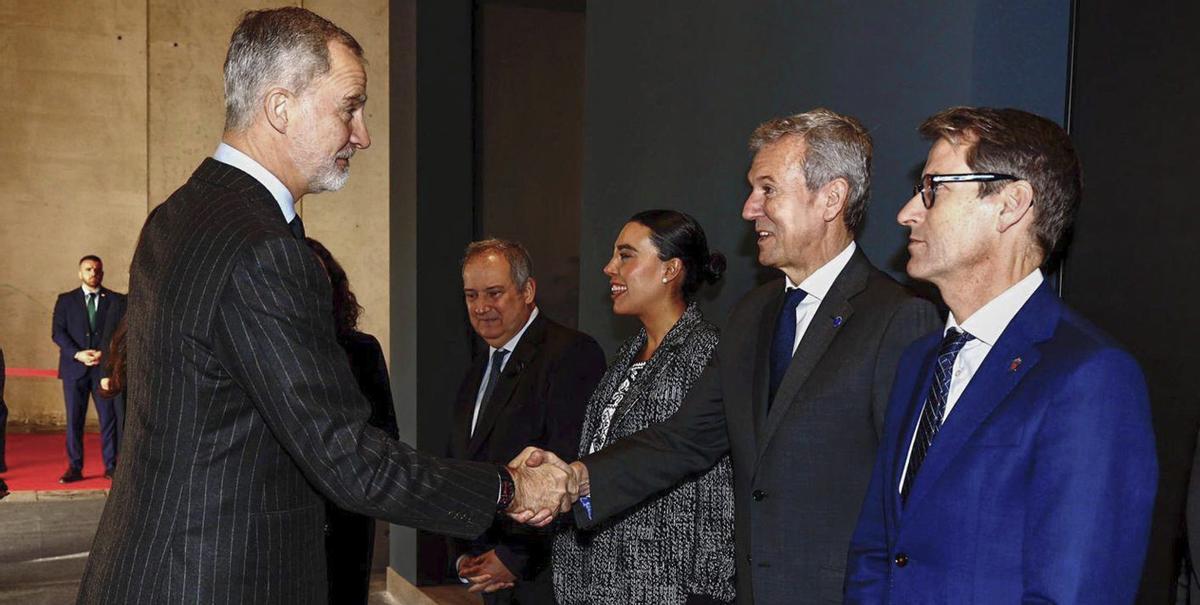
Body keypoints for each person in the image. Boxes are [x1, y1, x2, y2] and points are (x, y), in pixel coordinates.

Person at [76, 8, 573, 603]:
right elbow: (350, 459)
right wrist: (509, 488)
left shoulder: (181, 213)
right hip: (217, 580)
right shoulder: (263, 251)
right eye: (350, 107)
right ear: (280, 107)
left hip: (149, 569)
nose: (361, 134)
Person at [523, 108, 941, 603]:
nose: (749, 209)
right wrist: (576, 479)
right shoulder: (753, 313)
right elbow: (685, 439)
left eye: (768, 189)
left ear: (831, 198)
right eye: (752, 189)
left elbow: (908, 498)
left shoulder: (898, 319)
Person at [845, 107, 1157, 603]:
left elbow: (1074, 593)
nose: (907, 212)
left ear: (1011, 204)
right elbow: (877, 550)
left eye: (934, 188)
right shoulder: (920, 361)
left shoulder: (1090, 376)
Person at [553, 210, 735, 604]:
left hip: (662, 588)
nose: (609, 268)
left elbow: (716, 490)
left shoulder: (707, 353)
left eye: (625, 256)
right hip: (596, 581)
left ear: (670, 269)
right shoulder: (626, 355)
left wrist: (707, 591)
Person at [450, 239, 605, 602]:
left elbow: (568, 466)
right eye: (471, 295)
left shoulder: (572, 354)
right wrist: (464, 557)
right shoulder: (478, 368)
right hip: (489, 577)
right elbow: (463, 463)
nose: (482, 307)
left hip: (544, 580)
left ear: (528, 290)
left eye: (494, 293)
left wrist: (513, 559)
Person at [304, 237, 400, 605]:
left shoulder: (362, 350)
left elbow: (387, 434)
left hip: (348, 517)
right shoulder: (267, 352)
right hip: (286, 521)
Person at [51, 255, 126, 482]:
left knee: (108, 420)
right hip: (75, 369)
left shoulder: (115, 300)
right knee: (75, 420)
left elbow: (117, 332)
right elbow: (58, 333)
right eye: (88, 269)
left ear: (102, 273)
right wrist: (78, 353)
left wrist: (106, 354)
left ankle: (111, 466)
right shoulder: (65, 300)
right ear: (80, 273)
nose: (93, 273)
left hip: (102, 371)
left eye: (97, 270)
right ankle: (75, 467)